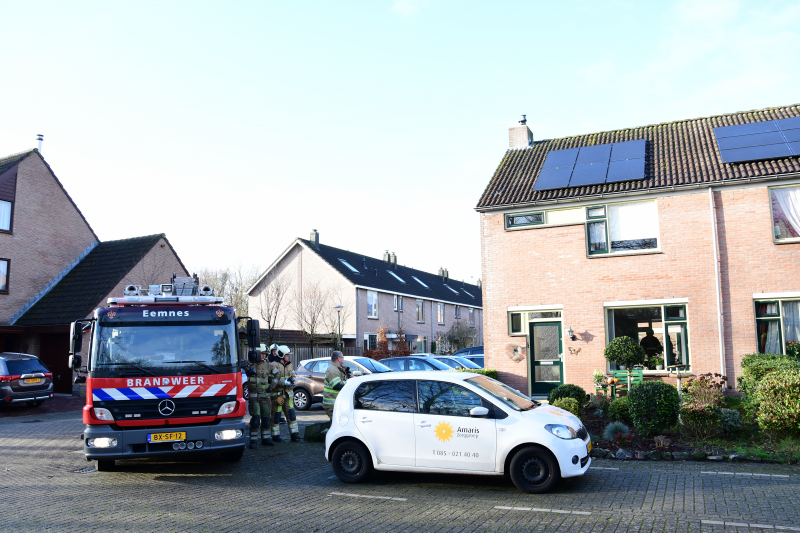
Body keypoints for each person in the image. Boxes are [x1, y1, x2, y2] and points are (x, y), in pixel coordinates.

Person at [269, 345, 302, 442]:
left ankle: (294, 434)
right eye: (287, 355)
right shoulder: (274, 365)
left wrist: (292, 380)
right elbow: (271, 378)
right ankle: (275, 435)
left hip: (288, 394)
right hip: (278, 394)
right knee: (276, 415)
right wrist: (284, 382)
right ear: (281, 355)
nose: (289, 356)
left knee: (291, 414)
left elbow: (293, 375)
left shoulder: (290, 365)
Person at [247, 347, 274, 448]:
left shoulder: (268, 366)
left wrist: (271, 387)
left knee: (266, 419)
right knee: (255, 419)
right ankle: (253, 440)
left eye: (265, 354)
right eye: (261, 354)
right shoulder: (250, 365)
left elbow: (277, 375)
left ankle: (266, 439)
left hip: (265, 398)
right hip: (254, 399)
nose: (263, 356)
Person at [323, 351, 349, 420]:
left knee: (336, 424)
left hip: (335, 403)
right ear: (338, 358)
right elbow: (337, 385)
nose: (343, 358)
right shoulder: (332, 370)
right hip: (332, 404)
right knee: (336, 424)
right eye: (342, 357)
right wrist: (349, 382)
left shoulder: (337, 368)